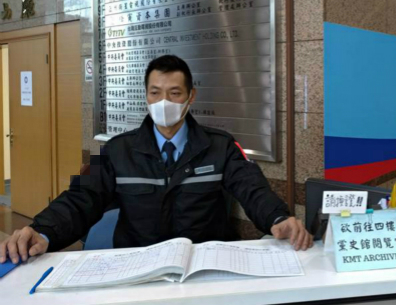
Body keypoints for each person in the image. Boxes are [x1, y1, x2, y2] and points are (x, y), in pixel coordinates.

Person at [0, 55, 312, 264]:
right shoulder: (117, 150)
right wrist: (43, 231)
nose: (164, 101)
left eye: (174, 93)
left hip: (203, 264)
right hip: (137, 263)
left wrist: (278, 218)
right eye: (155, 93)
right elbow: (81, 198)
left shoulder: (221, 146)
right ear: (146, 96)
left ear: (191, 96)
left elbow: (252, 188)